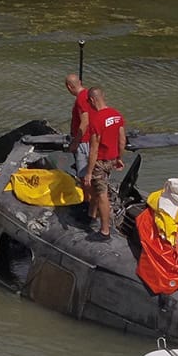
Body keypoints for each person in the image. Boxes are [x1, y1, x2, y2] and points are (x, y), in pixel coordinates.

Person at [82, 85, 126, 241]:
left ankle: (105, 231)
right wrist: (119, 158)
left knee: (101, 194)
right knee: (97, 187)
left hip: (99, 162)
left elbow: (93, 149)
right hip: (111, 160)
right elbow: (122, 140)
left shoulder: (96, 120)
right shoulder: (117, 115)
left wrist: (88, 172)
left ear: (93, 100)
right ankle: (91, 215)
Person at [65, 72, 96, 180]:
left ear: (69, 87)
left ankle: (86, 193)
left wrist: (75, 142)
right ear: (80, 82)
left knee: (83, 174)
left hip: (83, 141)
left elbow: (85, 121)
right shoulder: (89, 94)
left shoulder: (80, 100)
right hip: (92, 138)